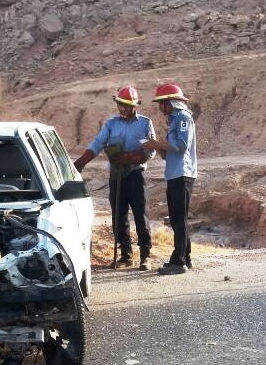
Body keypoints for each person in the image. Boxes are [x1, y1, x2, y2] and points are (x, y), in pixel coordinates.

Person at [74, 85, 156, 270]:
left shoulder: (144, 124)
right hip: (116, 176)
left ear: (135, 105)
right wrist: (81, 162)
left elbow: (149, 150)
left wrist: (129, 157)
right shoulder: (111, 124)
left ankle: (146, 255)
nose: (123, 108)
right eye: (120, 104)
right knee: (119, 216)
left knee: (140, 215)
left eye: (126, 105)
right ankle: (125, 256)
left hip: (135, 175)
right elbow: (98, 144)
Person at [142, 83, 197, 275]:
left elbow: (181, 145)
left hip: (182, 174)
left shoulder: (183, 117)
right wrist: (158, 146)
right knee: (176, 218)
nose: (160, 108)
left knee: (179, 219)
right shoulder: (174, 121)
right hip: (175, 173)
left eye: (162, 103)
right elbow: (170, 152)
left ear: (170, 103)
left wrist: (157, 143)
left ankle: (179, 260)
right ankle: (185, 256)